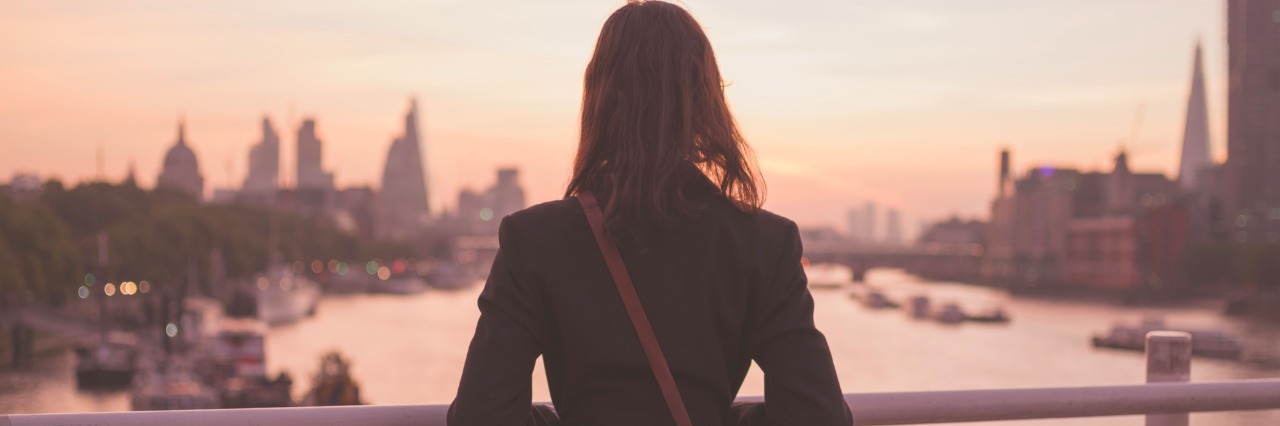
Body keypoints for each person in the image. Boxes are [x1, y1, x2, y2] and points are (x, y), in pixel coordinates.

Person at [449, 1, 852, 424]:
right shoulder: (764, 245)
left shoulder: (532, 240)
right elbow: (818, 415)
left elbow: (481, 416)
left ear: (598, 98)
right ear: (704, 98)